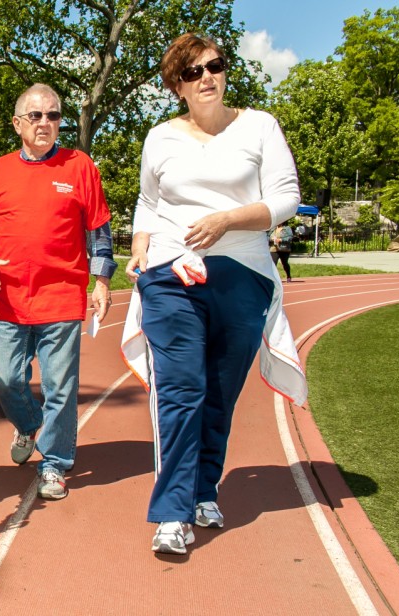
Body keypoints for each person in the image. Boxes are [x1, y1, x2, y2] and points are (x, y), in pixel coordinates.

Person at [121, 33, 308, 554]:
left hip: (242, 276)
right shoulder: (160, 137)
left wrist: (229, 219)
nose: (206, 77)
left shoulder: (259, 127)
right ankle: (173, 512)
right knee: (181, 389)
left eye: (215, 66)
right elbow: (147, 201)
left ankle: (205, 489)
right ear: (176, 85)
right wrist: (139, 247)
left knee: (218, 397)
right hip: (170, 275)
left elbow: (287, 198)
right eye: (193, 71)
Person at [0, 83, 116, 501]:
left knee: (60, 387)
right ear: (18, 124)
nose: (46, 123)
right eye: (36, 116)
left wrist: (101, 280)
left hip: (62, 295)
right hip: (8, 297)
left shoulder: (80, 166)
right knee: (7, 379)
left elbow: (98, 230)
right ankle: (30, 424)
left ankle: (54, 463)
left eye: (53, 115)